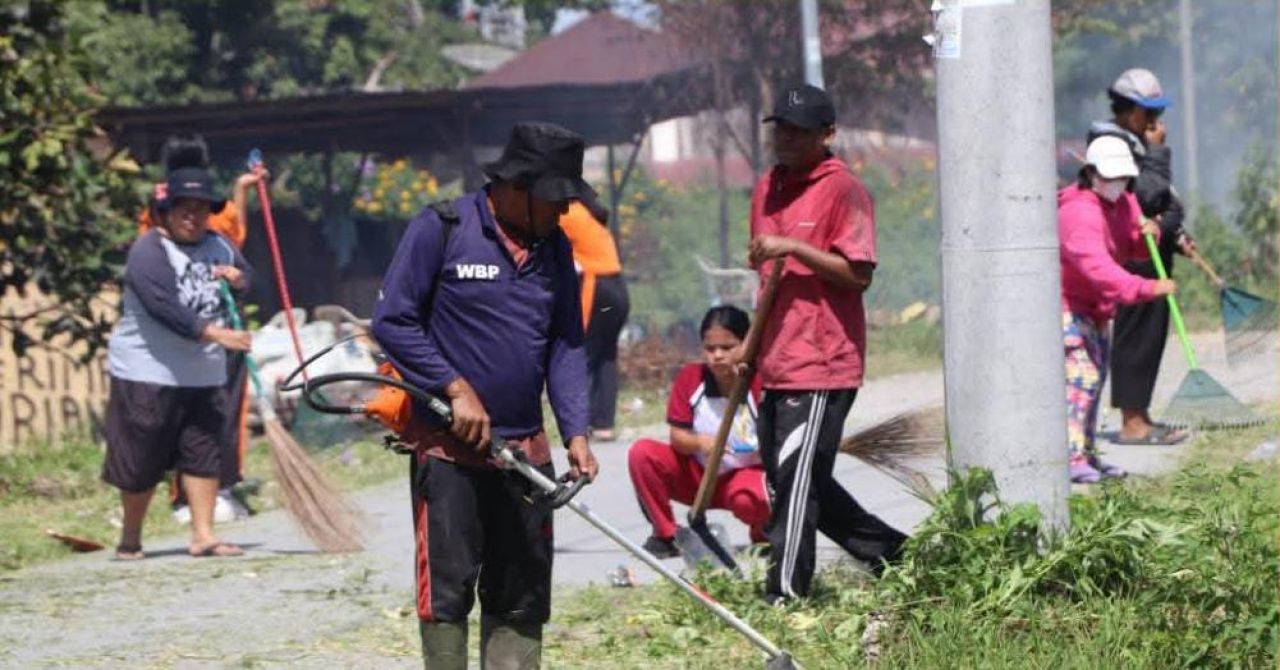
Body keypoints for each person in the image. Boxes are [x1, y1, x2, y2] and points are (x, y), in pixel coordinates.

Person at [371, 121, 600, 669]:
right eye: (555, 199)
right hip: (449, 448)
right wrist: (455, 388)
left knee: (520, 596)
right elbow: (394, 322)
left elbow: (566, 344)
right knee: (447, 593)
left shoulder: (554, 250)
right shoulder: (443, 228)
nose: (564, 212)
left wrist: (577, 432)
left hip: (524, 454)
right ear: (517, 187)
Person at [747, 84, 907, 605]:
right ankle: (896, 555)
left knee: (795, 486)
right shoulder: (767, 187)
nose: (786, 139)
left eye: (799, 131)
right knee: (789, 481)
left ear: (827, 134)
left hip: (822, 362)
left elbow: (858, 275)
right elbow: (763, 268)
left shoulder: (845, 191)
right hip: (775, 356)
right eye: (781, 129)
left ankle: (786, 595)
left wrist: (794, 246)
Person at [102, 166, 254, 560]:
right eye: (183, 209)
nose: (193, 217)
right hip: (147, 370)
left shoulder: (219, 245)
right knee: (142, 456)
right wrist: (219, 335)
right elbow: (163, 307)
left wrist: (238, 279)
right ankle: (131, 537)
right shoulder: (148, 250)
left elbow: (247, 276)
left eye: (201, 209)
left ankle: (204, 535)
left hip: (203, 372)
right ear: (166, 212)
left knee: (203, 451)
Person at [138, 134, 266, 524]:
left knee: (224, 415)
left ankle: (220, 488)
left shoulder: (214, 234)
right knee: (184, 419)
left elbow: (234, 238)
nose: (191, 215)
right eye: (182, 208)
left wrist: (241, 189)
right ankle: (185, 496)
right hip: (184, 340)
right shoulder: (156, 225)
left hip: (224, 341)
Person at [1059, 136, 1177, 483]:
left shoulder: (1124, 203)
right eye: (1112, 177)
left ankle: (1087, 454)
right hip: (1068, 306)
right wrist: (1147, 287)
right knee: (1082, 378)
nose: (1119, 184)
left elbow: (1133, 247)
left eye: (1124, 178)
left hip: (1097, 310)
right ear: (1091, 172)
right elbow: (1100, 270)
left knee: (1095, 380)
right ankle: (1070, 456)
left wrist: (1148, 235)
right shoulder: (1077, 213)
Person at [1087, 68, 1192, 445]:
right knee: (1136, 333)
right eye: (1148, 112)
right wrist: (1159, 152)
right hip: (1132, 256)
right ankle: (1132, 424)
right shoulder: (1111, 141)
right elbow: (1147, 197)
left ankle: (1142, 415)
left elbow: (1162, 202)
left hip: (1153, 249)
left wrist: (1175, 232)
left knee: (1151, 335)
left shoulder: (1135, 140)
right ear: (1128, 109)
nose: (1154, 121)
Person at [627, 305, 769, 558]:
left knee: (751, 498)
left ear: (747, 344)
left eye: (727, 348)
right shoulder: (691, 378)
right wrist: (702, 443)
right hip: (699, 475)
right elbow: (678, 438)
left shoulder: (760, 382)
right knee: (642, 453)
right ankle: (667, 533)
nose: (717, 356)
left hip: (745, 477)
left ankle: (765, 533)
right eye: (710, 348)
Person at [557, 198, 629, 442]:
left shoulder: (567, 213)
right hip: (617, 286)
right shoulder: (589, 214)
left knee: (582, 355)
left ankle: (579, 424)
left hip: (597, 287)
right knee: (606, 356)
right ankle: (603, 424)